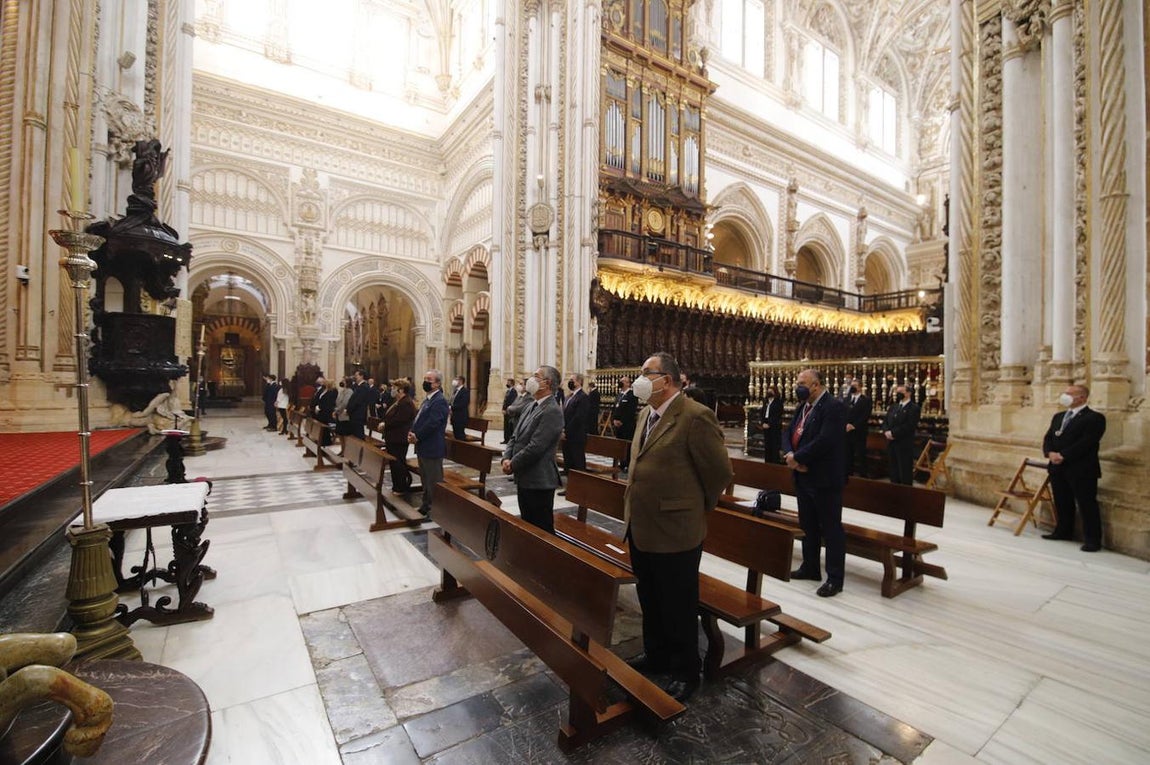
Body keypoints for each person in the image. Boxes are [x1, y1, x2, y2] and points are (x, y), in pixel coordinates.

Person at [624, 352, 732, 703]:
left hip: (676, 530)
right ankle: (656, 655)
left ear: (666, 380)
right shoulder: (646, 414)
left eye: (646, 373)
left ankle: (687, 670)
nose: (640, 379)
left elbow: (719, 473)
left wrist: (695, 509)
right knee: (650, 597)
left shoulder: (694, 416)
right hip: (642, 526)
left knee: (678, 605)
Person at [785, 368, 848, 598]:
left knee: (831, 529)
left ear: (816, 385)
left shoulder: (833, 406)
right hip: (803, 475)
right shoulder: (804, 407)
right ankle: (810, 567)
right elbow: (789, 432)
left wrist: (798, 458)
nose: (798, 386)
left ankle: (835, 579)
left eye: (802, 383)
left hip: (824, 477)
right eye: (797, 382)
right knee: (808, 525)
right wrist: (791, 455)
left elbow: (826, 440)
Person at [1041, 384, 1106, 552]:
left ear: (1082, 397)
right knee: (1062, 501)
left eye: (1069, 393)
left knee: (1086, 504)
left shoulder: (1094, 418)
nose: (1065, 396)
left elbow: (1087, 442)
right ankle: (1063, 530)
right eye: (1065, 393)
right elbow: (1048, 437)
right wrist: (1050, 453)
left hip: (1081, 468)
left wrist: (1064, 455)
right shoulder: (1059, 416)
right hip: (1057, 467)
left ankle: (1092, 540)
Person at [501, 366, 564, 533]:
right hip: (524, 476)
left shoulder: (552, 410)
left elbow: (536, 447)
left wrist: (512, 464)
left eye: (536, 376)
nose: (531, 380)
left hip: (539, 479)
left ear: (547, 383)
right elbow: (515, 436)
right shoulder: (530, 405)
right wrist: (506, 458)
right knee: (527, 526)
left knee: (541, 530)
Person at [409, 370, 449, 517]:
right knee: (425, 480)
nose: (425, 382)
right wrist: (412, 432)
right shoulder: (428, 400)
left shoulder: (440, 401)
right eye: (425, 378)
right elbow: (419, 419)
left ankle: (436, 510)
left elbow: (433, 423)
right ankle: (426, 505)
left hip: (432, 446)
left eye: (429, 380)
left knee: (434, 481)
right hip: (423, 446)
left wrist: (417, 436)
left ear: (437, 383)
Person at [382, 378, 417, 494]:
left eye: (394, 388)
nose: (392, 390)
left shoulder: (406, 403)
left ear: (401, 390)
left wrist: (385, 424)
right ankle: (396, 486)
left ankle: (400, 487)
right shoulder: (399, 402)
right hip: (393, 438)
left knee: (398, 463)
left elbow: (398, 420)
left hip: (399, 439)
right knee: (394, 463)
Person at [881, 384, 920, 485]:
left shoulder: (914, 408)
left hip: (904, 443)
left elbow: (909, 425)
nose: (898, 394)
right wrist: (886, 431)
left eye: (901, 392)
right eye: (897, 392)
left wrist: (893, 433)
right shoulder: (894, 406)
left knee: (904, 470)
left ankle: (906, 491)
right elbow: (886, 421)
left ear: (908, 393)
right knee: (893, 469)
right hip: (891, 442)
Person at [561, 373, 590, 484]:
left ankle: (579, 487)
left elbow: (578, 418)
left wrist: (566, 431)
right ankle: (570, 487)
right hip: (567, 435)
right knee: (568, 462)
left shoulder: (583, 397)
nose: (570, 382)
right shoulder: (569, 396)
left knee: (577, 462)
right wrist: (562, 429)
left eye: (572, 380)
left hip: (576, 435)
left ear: (579, 382)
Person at [844, 378, 872, 477]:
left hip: (859, 432)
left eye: (855, 386)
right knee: (848, 455)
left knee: (861, 455)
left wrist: (854, 425)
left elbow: (865, 415)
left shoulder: (866, 400)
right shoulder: (846, 399)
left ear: (860, 387)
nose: (852, 387)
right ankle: (848, 476)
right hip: (847, 432)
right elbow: (842, 413)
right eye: (852, 385)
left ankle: (863, 477)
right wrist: (846, 424)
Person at [611, 376, 638, 471]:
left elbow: (630, 411)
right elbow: (615, 408)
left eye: (623, 381)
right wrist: (614, 420)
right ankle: (621, 463)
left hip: (627, 425)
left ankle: (627, 464)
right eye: (620, 381)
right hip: (617, 425)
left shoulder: (632, 395)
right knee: (620, 445)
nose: (620, 382)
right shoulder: (619, 395)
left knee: (627, 445)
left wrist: (622, 421)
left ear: (628, 383)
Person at [346, 369, 374, 440]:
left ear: (362, 376)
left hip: (358, 414)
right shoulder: (358, 386)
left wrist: (349, 410)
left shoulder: (364, 387)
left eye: (356, 375)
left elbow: (357, 401)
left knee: (358, 435)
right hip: (355, 414)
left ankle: (361, 447)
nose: (355, 377)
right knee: (354, 435)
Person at [757, 386, 782, 463]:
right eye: (768, 391)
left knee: (774, 445)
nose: (769, 392)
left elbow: (777, 415)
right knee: (767, 445)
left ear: (775, 392)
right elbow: (762, 413)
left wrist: (770, 424)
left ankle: (774, 462)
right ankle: (767, 461)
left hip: (774, 426)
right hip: (765, 424)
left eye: (771, 391)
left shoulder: (778, 402)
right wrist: (762, 423)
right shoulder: (766, 401)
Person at [333, 377, 354, 454]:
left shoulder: (349, 391)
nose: (341, 381)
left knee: (345, 434)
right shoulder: (342, 390)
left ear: (347, 382)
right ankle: (342, 449)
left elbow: (345, 403)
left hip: (345, 416)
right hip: (339, 414)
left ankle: (346, 451)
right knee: (340, 434)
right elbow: (337, 401)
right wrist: (336, 409)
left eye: (343, 380)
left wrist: (337, 410)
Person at [315, 379, 338, 445]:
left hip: (326, 411)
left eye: (326, 383)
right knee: (321, 425)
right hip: (321, 411)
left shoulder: (332, 392)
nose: (324, 384)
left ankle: (326, 441)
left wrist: (320, 407)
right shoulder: (325, 390)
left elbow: (329, 403)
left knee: (324, 426)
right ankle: (321, 439)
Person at [449, 376, 470, 440]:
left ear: (461, 381)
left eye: (456, 379)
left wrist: (451, 407)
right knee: (455, 435)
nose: (454, 381)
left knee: (460, 436)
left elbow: (463, 404)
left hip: (460, 417)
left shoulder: (465, 391)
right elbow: (452, 401)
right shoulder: (455, 391)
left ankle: (462, 446)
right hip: (454, 417)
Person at [500, 378, 518, 444]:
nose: (507, 383)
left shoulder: (514, 391)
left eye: (508, 382)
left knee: (509, 426)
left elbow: (512, 402)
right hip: (506, 412)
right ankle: (506, 439)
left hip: (509, 412)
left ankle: (509, 440)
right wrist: (503, 409)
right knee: (506, 426)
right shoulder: (508, 391)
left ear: (511, 383)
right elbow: (505, 401)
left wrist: (507, 410)